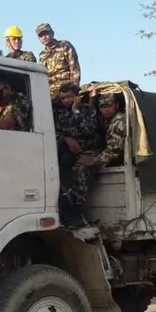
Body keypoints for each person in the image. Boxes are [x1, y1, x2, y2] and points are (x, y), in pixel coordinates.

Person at [55, 84, 102, 228]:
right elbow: (54, 131)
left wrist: (76, 111)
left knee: (79, 170)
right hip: (69, 151)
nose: (65, 101)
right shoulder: (60, 113)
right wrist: (65, 139)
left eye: (68, 97)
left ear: (77, 96)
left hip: (89, 150)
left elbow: (88, 129)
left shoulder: (89, 110)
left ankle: (78, 211)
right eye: (62, 98)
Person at [76, 91, 127, 169]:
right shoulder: (105, 119)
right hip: (108, 155)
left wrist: (92, 161)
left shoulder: (119, 120)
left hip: (119, 158)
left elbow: (113, 151)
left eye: (109, 106)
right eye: (103, 107)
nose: (106, 109)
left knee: (81, 168)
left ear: (116, 105)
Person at [36, 23, 81, 101]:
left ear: (52, 33)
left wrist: (74, 90)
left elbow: (74, 69)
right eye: (41, 36)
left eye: (46, 34)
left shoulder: (64, 45)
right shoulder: (42, 55)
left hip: (66, 87)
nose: (44, 37)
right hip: (50, 91)